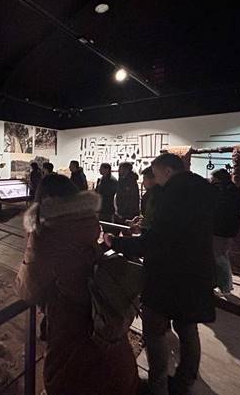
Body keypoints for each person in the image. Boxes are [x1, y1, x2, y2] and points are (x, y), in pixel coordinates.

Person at [15, 174, 139, 395]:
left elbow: (27, 289)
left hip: (71, 332)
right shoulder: (89, 220)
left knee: (69, 380)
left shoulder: (45, 231)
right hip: (105, 328)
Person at [104, 153, 215, 395]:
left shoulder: (171, 195)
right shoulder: (203, 190)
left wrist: (117, 243)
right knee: (188, 328)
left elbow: (156, 241)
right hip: (196, 272)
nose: (154, 179)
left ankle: (158, 387)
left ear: (167, 171)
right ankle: (185, 382)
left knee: (155, 331)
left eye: (155, 174)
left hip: (168, 275)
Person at [210, 168, 240, 295]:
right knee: (221, 256)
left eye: (213, 179)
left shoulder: (225, 192)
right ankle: (223, 285)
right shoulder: (233, 191)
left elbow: (219, 209)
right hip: (227, 229)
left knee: (220, 257)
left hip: (221, 229)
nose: (211, 181)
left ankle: (225, 287)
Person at [95, 163, 118, 229]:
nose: (99, 170)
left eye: (101, 168)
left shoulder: (112, 181)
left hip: (107, 208)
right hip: (101, 207)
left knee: (108, 226)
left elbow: (110, 194)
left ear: (107, 169)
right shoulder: (101, 179)